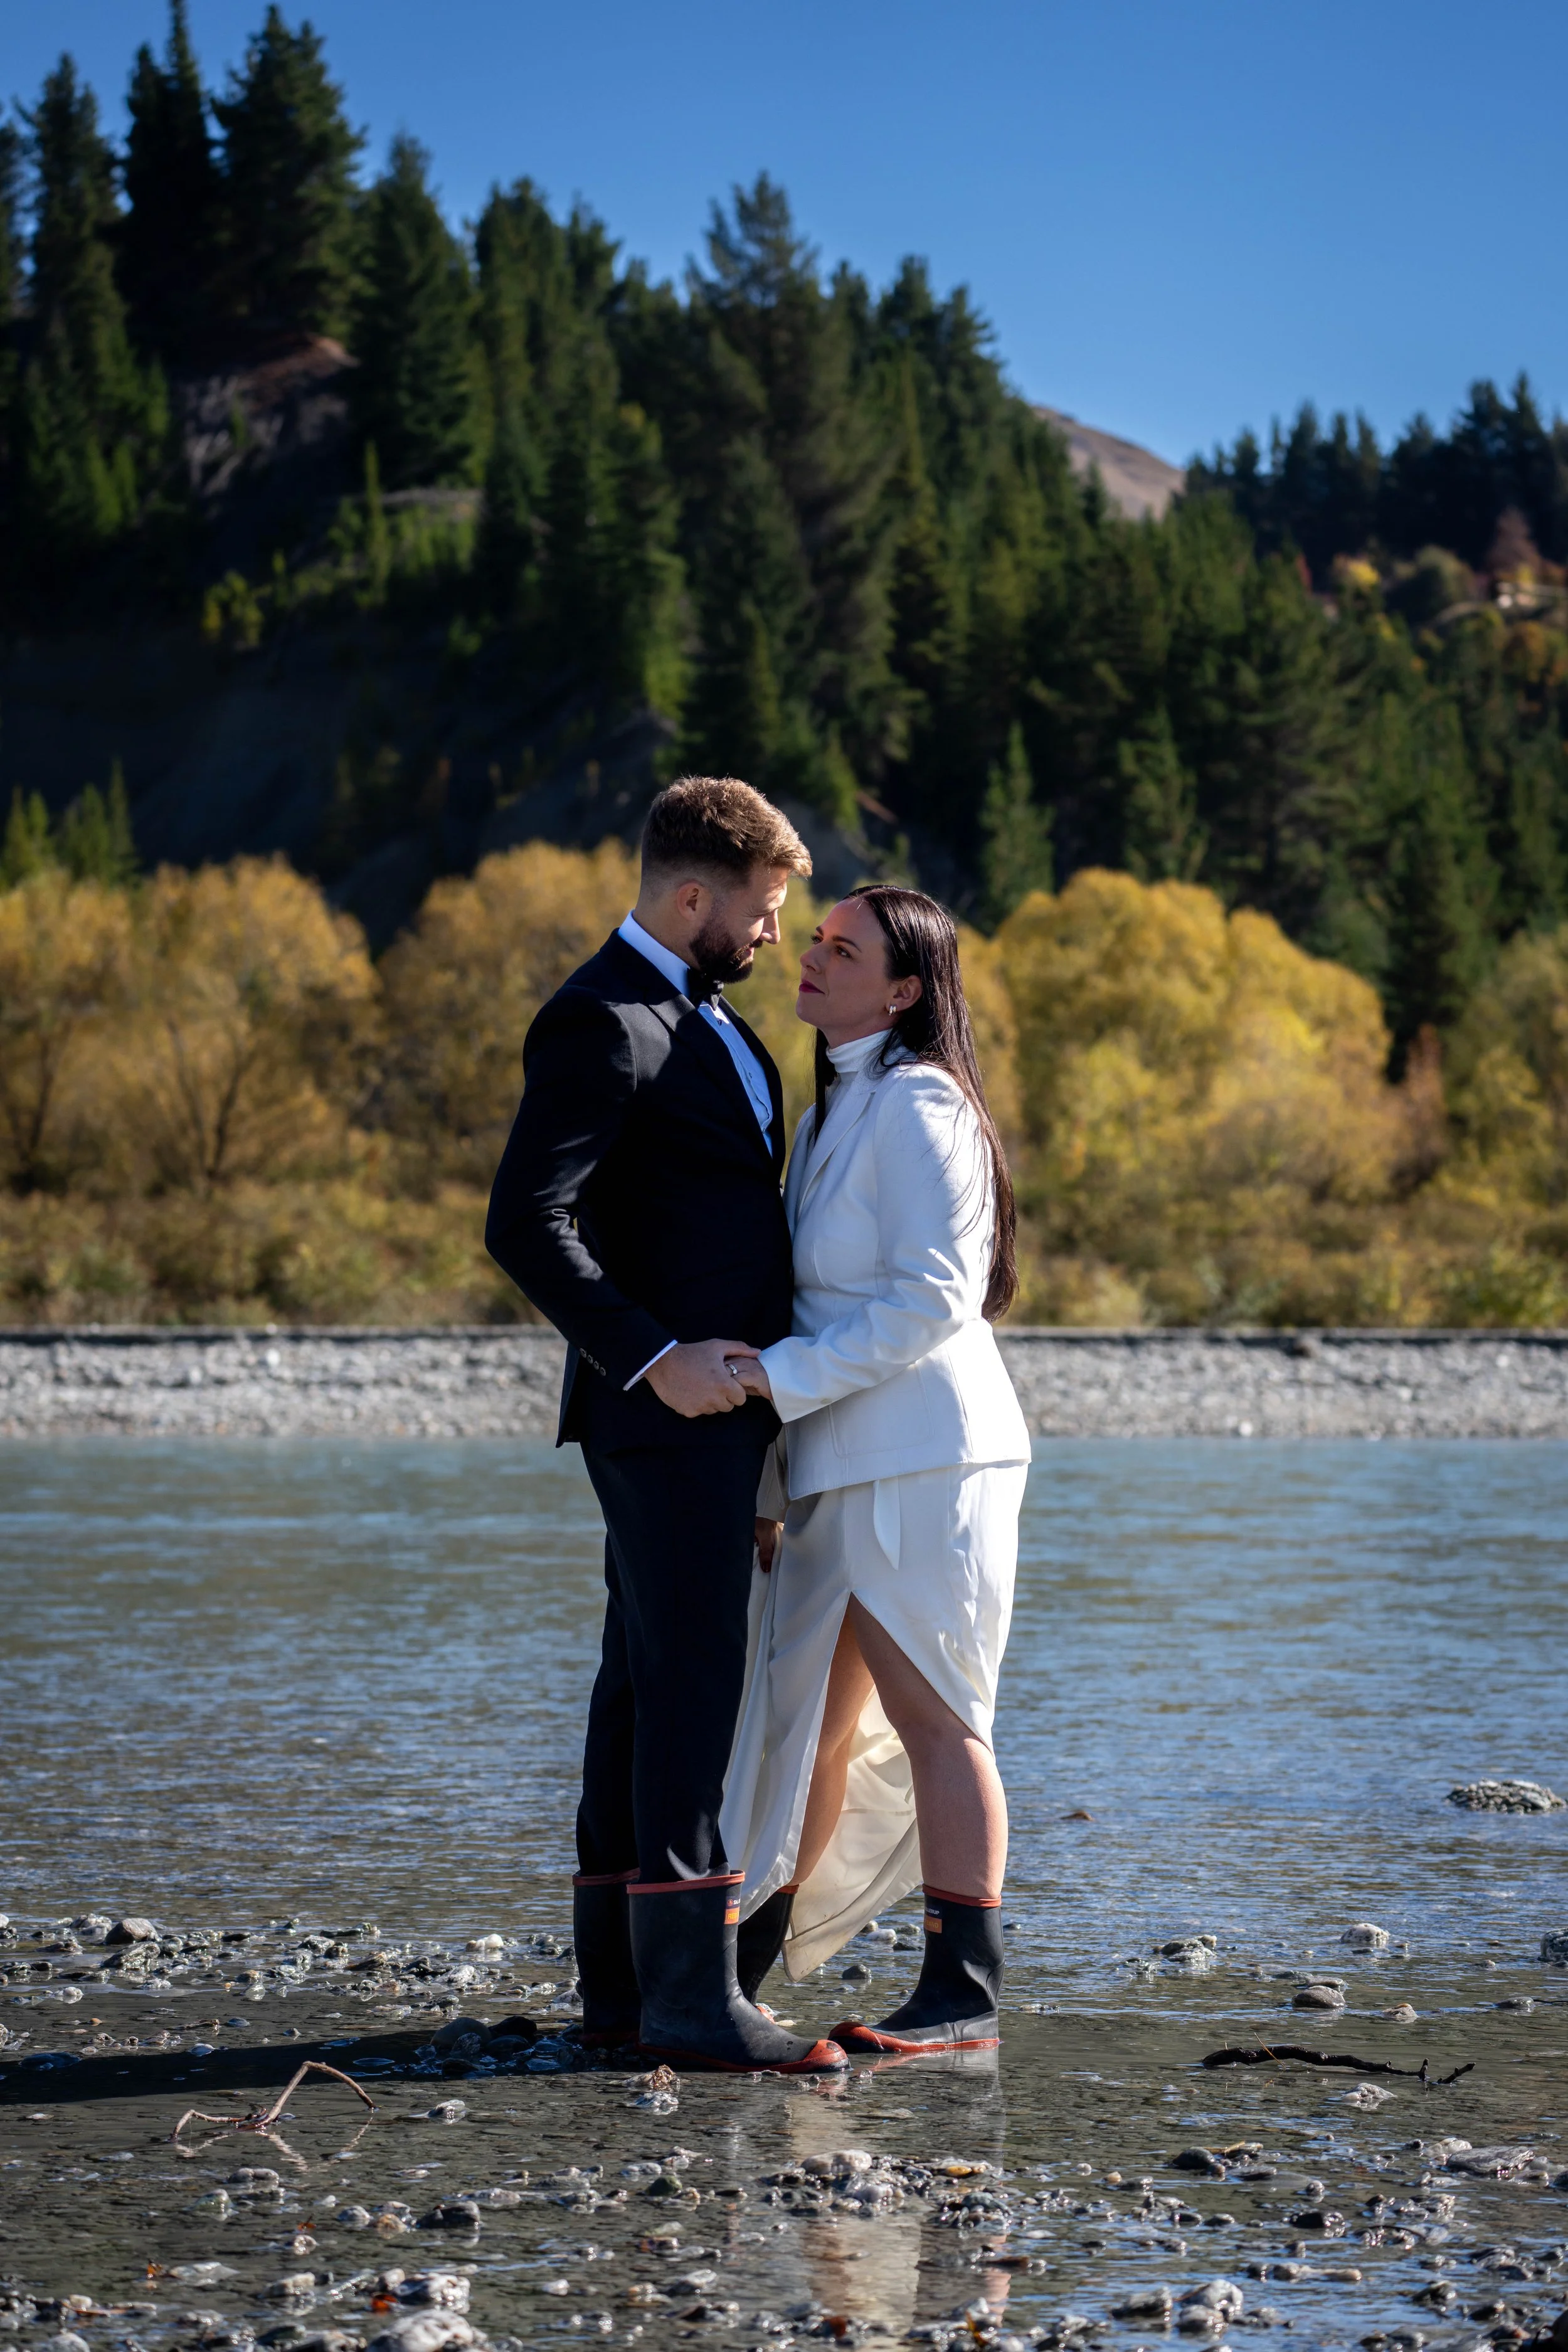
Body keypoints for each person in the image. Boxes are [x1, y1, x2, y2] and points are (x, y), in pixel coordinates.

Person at [484, 777, 845, 2075]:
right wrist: (650, 1360)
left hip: (715, 1422)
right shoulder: (598, 1021)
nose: (771, 935)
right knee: (689, 1682)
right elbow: (525, 1224)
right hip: (661, 1414)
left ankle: (622, 1999)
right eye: (760, 908)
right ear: (693, 893)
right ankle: (691, 2005)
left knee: (643, 1685)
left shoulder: (719, 1027)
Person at [719, 883, 1032, 2054]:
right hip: (833, 1464)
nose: (812, 954)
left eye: (842, 948)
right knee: (804, 1720)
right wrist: (773, 1470)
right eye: (814, 937)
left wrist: (771, 1382)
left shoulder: (924, 1106)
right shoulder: (825, 1115)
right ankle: (738, 1964)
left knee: (940, 1716)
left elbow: (935, 1301)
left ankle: (967, 1993)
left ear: (903, 990)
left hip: (933, 1458)